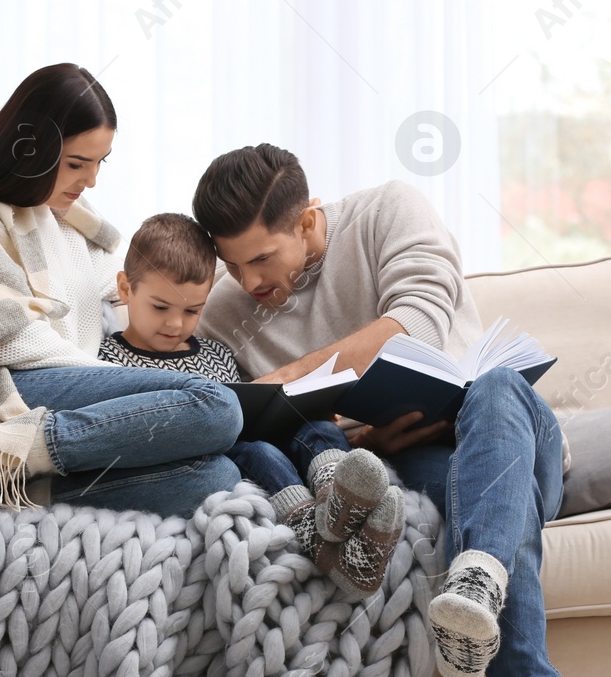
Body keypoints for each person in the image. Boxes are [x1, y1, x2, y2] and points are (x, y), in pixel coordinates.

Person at [193, 144, 569, 677]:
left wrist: (293, 377)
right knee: (485, 521)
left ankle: (478, 576)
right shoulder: (224, 313)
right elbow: (257, 426)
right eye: (232, 263)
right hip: (417, 460)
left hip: (507, 433)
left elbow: (416, 325)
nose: (248, 282)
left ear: (307, 222)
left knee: (496, 385)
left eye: (261, 258)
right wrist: (365, 439)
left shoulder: (388, 211)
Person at [0, 64, 242, 520]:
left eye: (100, 162)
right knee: (217, 406)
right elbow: (10, 341)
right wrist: (115, 383)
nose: (91, 180)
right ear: (31, 151)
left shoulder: (71, 224)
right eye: (77, 163)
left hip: (58, 393)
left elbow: (143, 279)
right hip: (5, 383)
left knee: (217, 477)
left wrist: (246, 267)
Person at [96, 212, 403, 596]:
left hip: (262, 444)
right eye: (161, 307)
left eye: (192, 311)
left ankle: (339, 506)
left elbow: (251, 407)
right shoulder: (107, 361)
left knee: (321, 430)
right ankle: (323, 540)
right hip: (212, 462)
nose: (176, 324)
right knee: (258, 451)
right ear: (125, 289)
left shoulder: (218, 353)